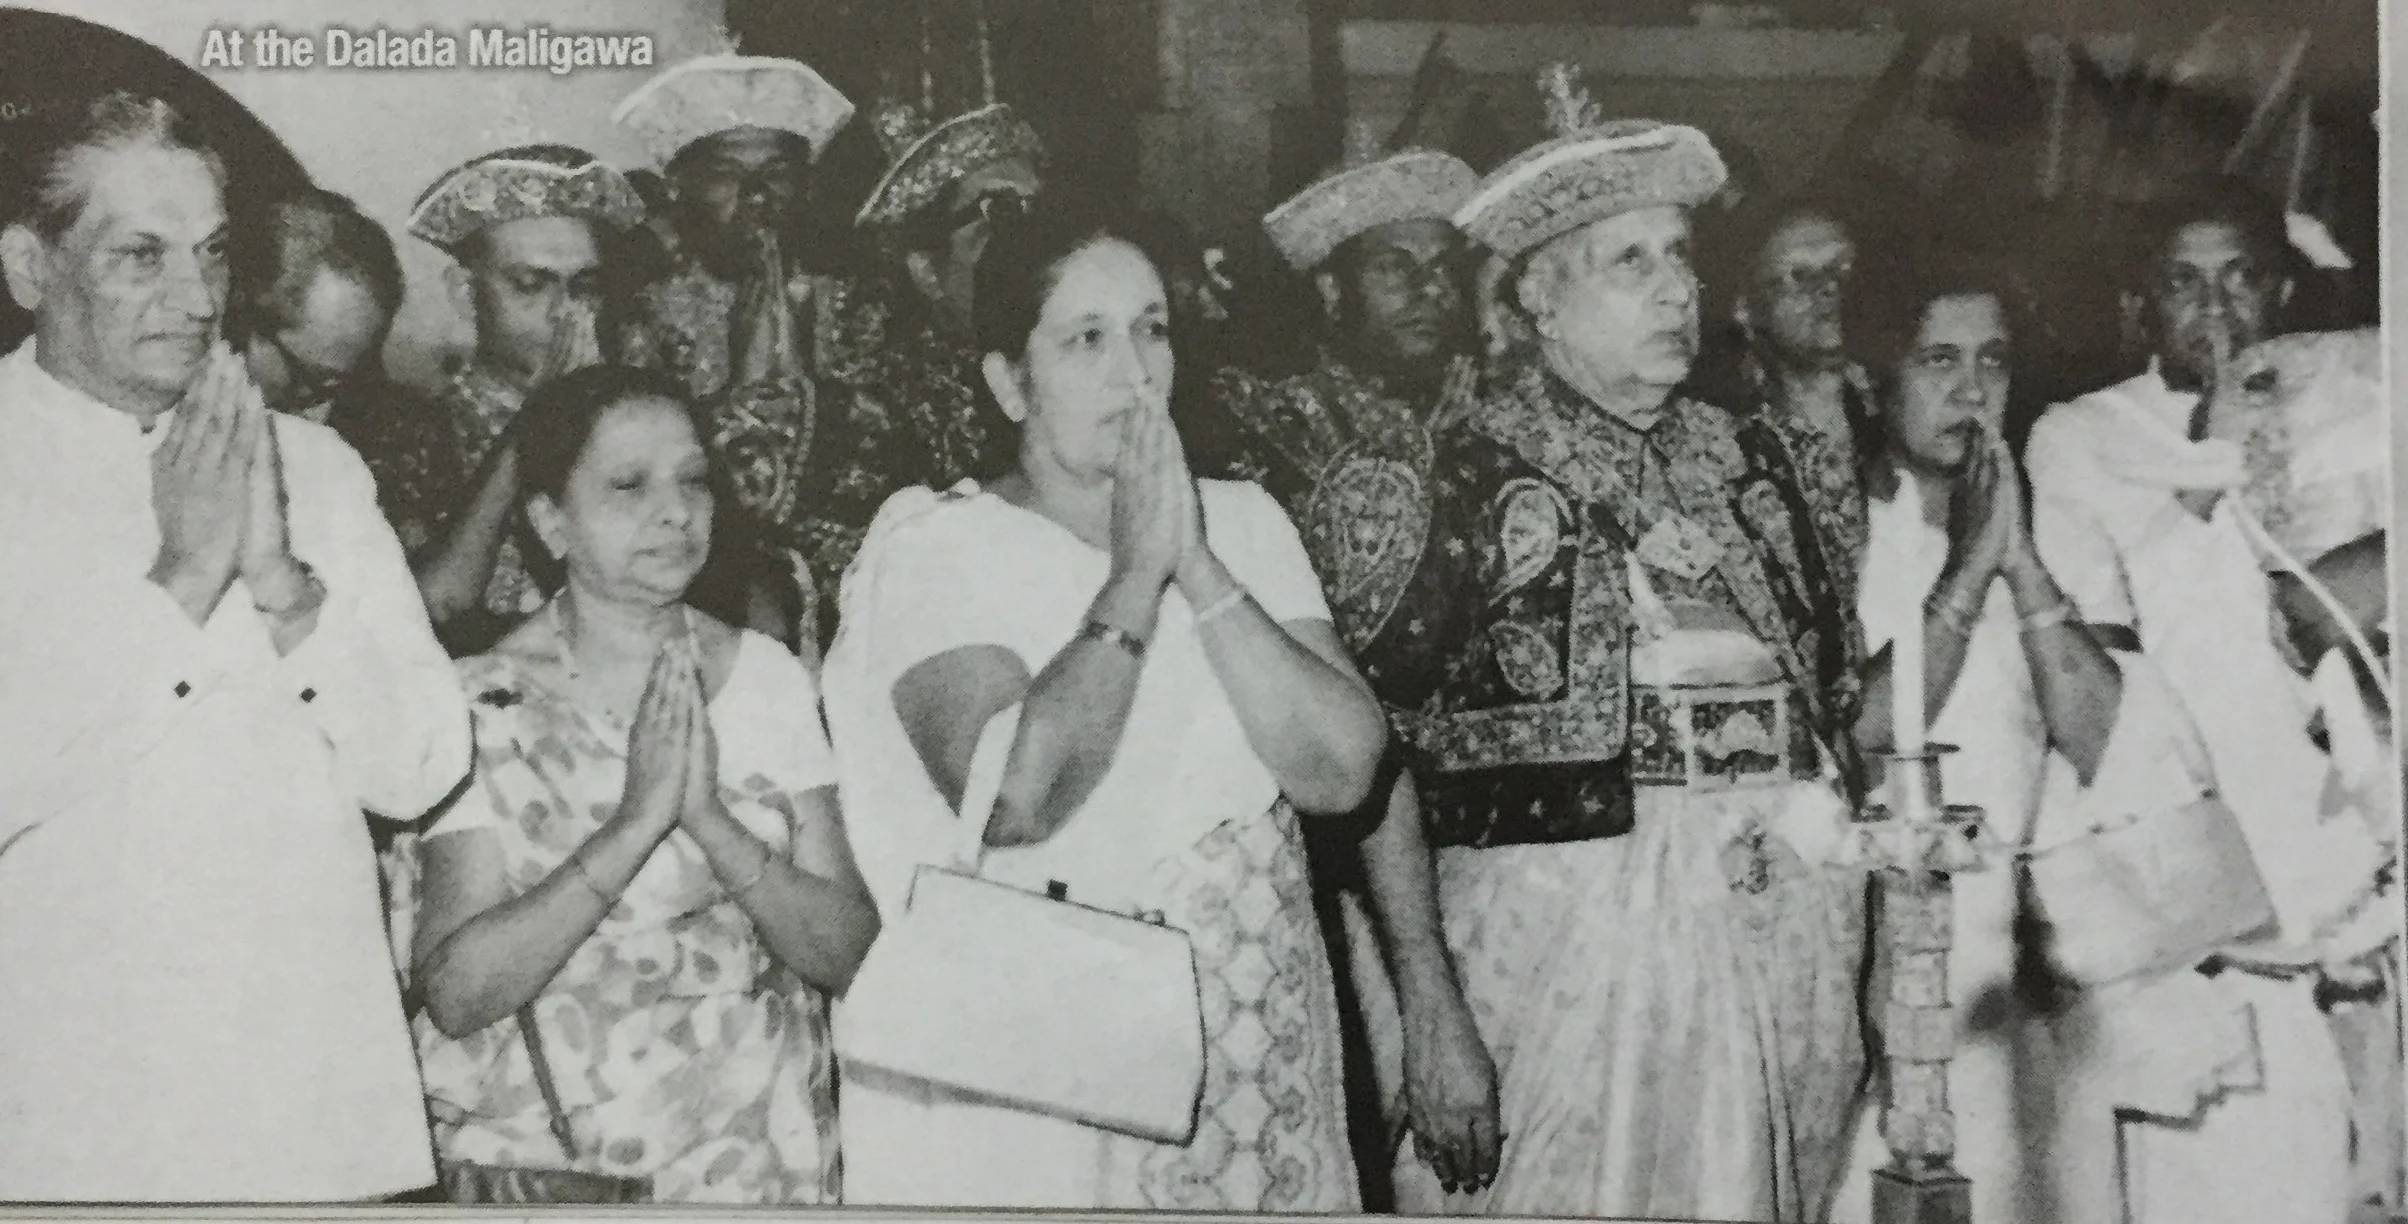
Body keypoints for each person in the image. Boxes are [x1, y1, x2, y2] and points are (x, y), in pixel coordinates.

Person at [820, 203, 1386, 1211]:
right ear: (1007, 381)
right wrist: (1134, 576)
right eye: (1085, 338)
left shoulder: (1246, 524)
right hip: (1048, 1073)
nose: (1134, 370)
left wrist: (1197, 564)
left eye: (1151, 328)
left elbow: (1341, 772)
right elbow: (1016, 799)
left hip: (1253, 1046)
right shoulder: (937, 546)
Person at [1377, 65, 1870, 1220]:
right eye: (1628, 262)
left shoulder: (1755, 462)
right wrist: (1419, 1006)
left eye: (1682, 256)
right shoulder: (1452, 475)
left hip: (1776, 933)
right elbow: (1368, 771)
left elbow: (1832, 714)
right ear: (1538, 298)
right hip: (1557, 955)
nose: (1673, 291)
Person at [0, 91, 467, 1200]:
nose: (197, 299)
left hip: (304, 1100)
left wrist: (281, 586)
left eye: (211, 253)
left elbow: (419, 769)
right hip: (70, 1114)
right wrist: (180, 582)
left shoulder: (315, 468)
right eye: (140, 257)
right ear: (30, 267)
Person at [1823, 250, 2260, 1223]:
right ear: (1872, 374)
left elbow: (2111, 746)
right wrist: (1966, 572)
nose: (1970, 388)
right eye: (1937, 360)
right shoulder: (1831, 528)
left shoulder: (2057, 530)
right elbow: (1854, 736)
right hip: (1873, 963)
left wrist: (2017, 561)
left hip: (2031, 973)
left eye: (1992, 360)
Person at [407, 364, 880, 1203]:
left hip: (758, 1161)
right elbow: (456, 992)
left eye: (693, 480)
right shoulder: (479, 702)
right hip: (558, 1171)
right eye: (629, 485)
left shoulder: (764, 677)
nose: (675, 510)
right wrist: (632, 829)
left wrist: (709, 823)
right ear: (551, 523)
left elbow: (848, 953)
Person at [2022, 178, 2385, 1224]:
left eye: (2237, 279)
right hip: (2211, 890)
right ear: (2140, 306)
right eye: (2183, 283)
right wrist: (2208, 460)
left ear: (2278, 287)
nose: (2214, 309)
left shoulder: (2354, 398)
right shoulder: (2079, 437)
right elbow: (2112, 665)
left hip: (2363, 858)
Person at [1210, 145, 1503, 1197]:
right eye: (1395, 268)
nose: (1429, 292)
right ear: (1329, 288)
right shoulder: (1259, 430)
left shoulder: (1501, 421)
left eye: (1442, 268)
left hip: (1506, 868)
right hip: (1339, 869)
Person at [611, 53, 869, 657]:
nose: (756, 196)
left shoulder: (857, 300)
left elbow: (879, 446)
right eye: (726, 174)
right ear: (681, 185)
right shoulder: (641, 312)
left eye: (777, 173)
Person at [406, 144, 644, 655]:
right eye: (531, 285)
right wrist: (540, 415)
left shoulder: (640, 420)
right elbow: (433, 601)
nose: (564, 313)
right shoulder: (412, 428)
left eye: (585, 287)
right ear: (467, 294)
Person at [239, 188, 461, 562]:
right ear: (243, 325)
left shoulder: (383, 434)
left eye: (344, 379)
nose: (322, 405)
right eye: (310, 379)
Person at [1696, 198, 1874, 573]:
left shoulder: (1901, 418)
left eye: (1845, 270)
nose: (1829, 289)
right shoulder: (1721, 451)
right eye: (1799, 276)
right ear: (1745, 308)